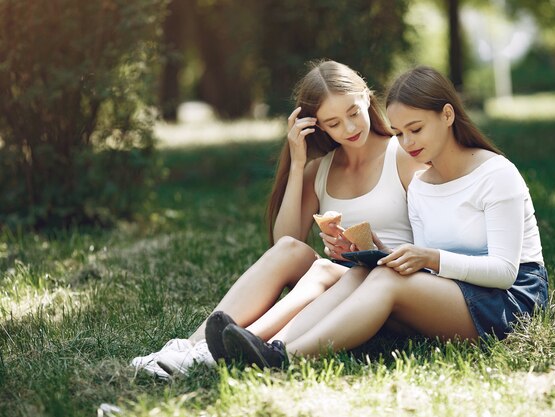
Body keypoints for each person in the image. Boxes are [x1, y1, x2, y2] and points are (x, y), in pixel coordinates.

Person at [213, 65, 549, 368]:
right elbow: (428, 265)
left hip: (509, 300)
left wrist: (428, 257)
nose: (407, 142)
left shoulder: (496, 174)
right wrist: (382, 251)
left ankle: (283, 358)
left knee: (384, 278)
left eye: (416, 129)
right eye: (400, 133)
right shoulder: (421, 183)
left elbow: (505, 272)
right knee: (369, 269)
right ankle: (267, 346)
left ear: (448, 115)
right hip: (455, 290)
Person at [131, 60, 422, 378]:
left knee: (325, 268)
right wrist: (298, 164)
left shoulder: (403, 155)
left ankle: (218, 352)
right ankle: (189, 347)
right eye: (334, 123)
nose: (350, 129)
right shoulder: (320, 169)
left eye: (353, 112)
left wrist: (375, 254)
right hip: (339, 283)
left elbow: (431, 239)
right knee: (289, 250)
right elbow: (287, 242)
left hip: (390, 288)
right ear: (318, 126)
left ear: (366, 97)